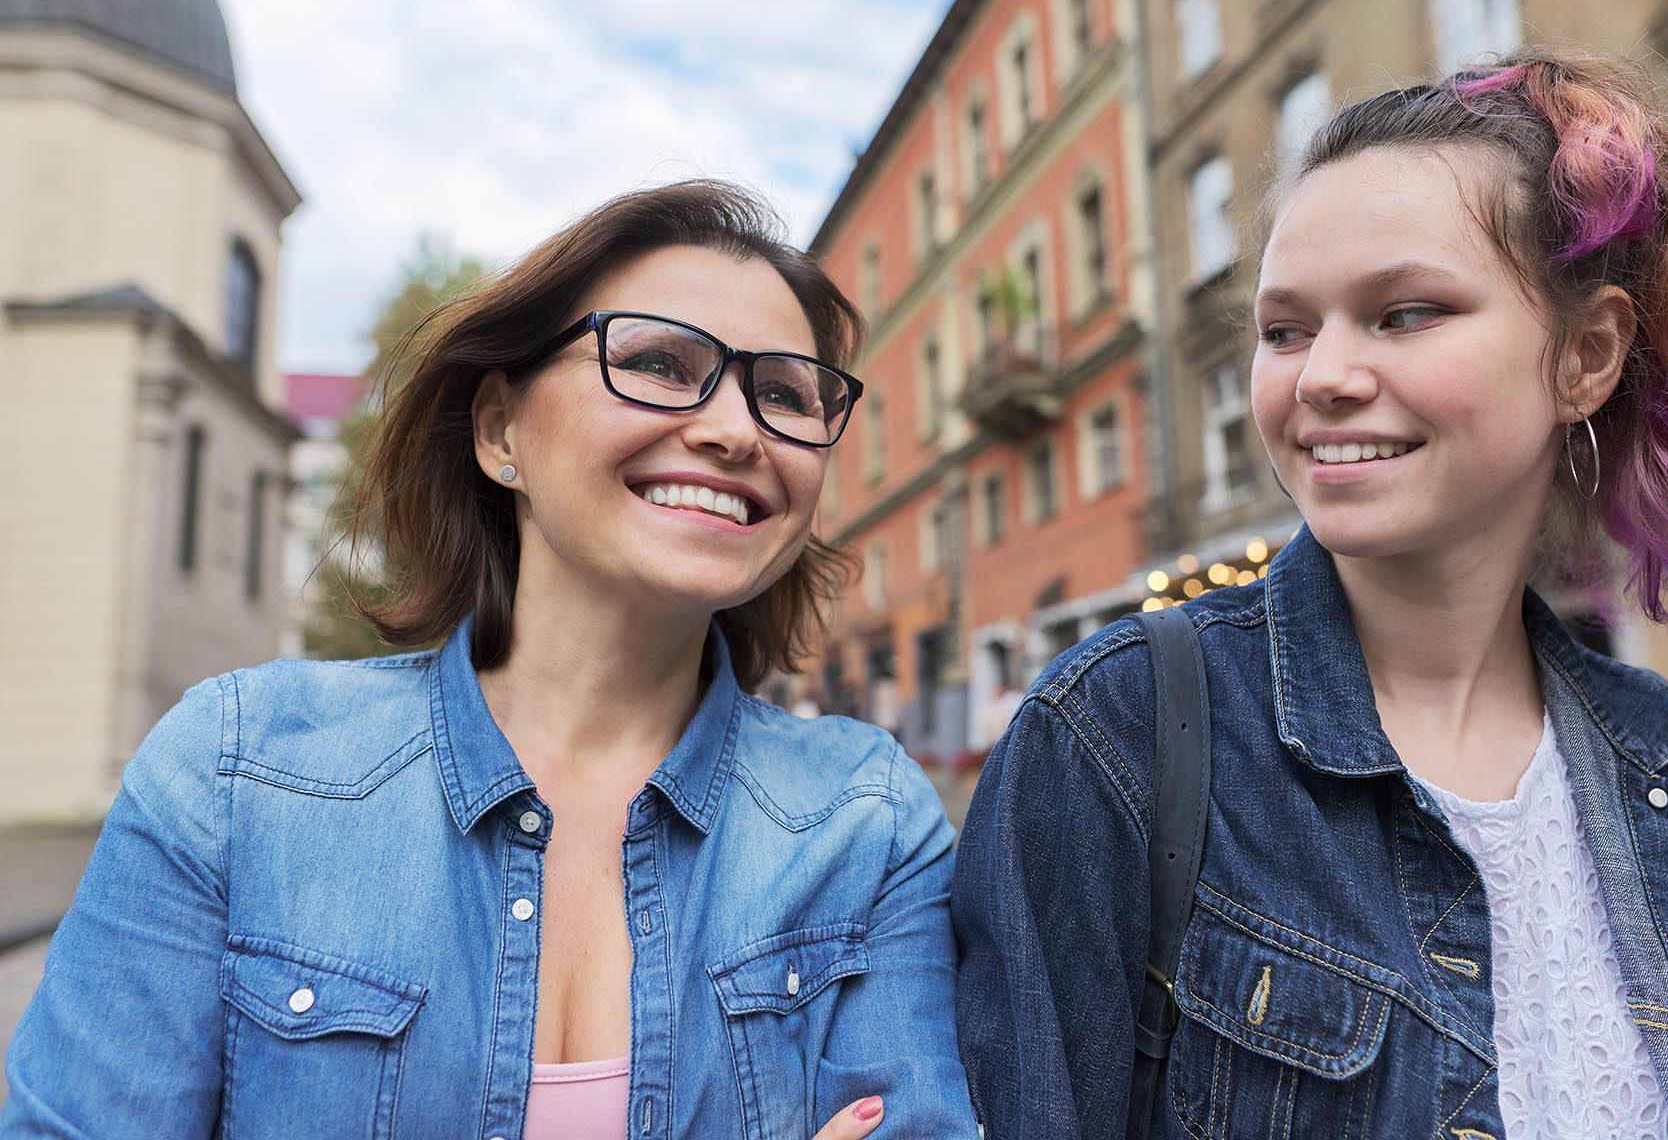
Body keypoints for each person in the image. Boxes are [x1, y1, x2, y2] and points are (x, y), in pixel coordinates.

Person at [953, 52, 1668, 1140]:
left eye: (1405, 312)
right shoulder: (1121, 731)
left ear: (1586, 353)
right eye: (1285, 328)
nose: (1320, 374)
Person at [3, 182, 976, 1139]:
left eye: (782, 393)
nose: (734, 428)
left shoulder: (869, 820)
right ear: (501, 429)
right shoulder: (236, 769)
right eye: (661, 362)